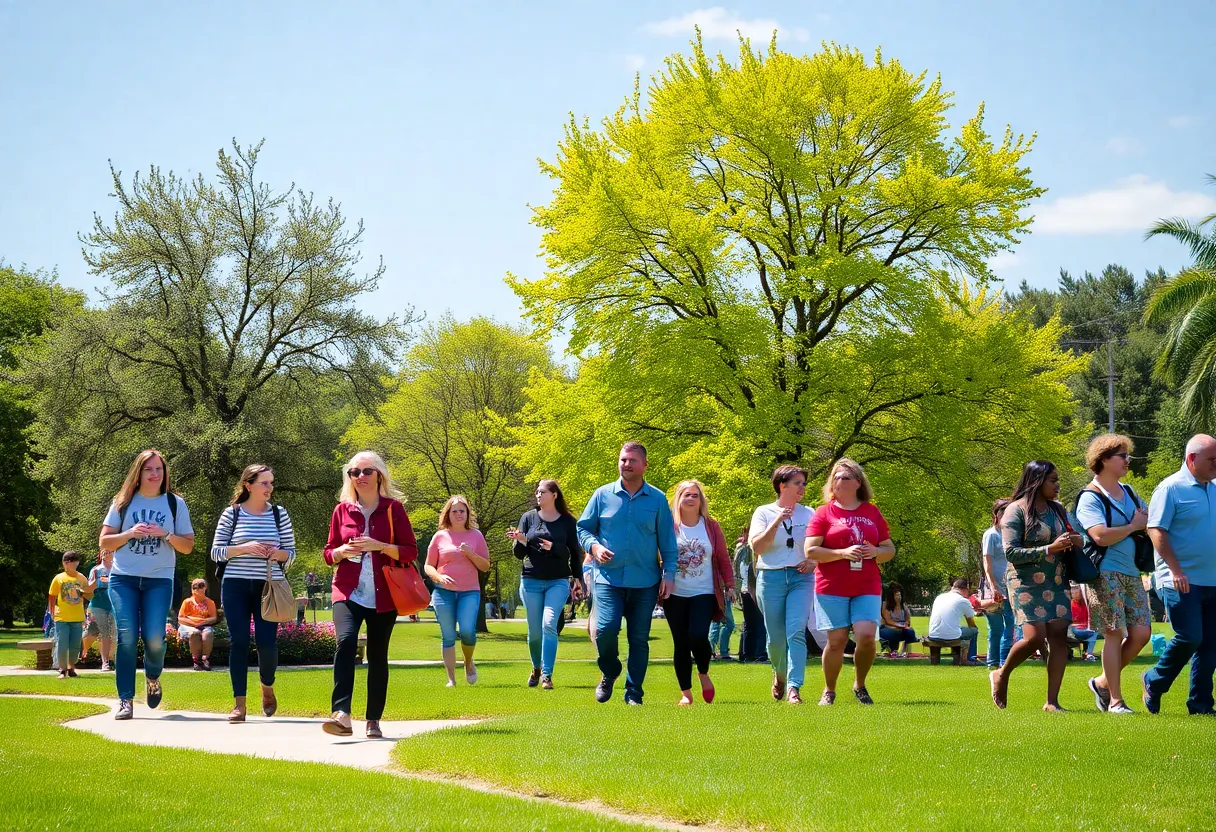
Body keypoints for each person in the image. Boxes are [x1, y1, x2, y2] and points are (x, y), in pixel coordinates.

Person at [322, 451, 418, 738]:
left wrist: (380, 546)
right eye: (354, 472)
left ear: (379, 475)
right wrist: (340, 552)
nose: (360, 477)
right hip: (347, 590)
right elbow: (328, 553)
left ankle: (373, 719)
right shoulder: (342, 510)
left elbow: (411, 551)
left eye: (366, 471)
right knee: (346, 642)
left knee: (377, 655)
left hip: (384, 594)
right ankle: (342, 714)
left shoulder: (393, 509)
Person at [577, 442, 678, 705]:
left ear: (644, 465)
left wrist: (669, 574)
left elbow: (667, 541)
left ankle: (634, 693)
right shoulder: (601, 495)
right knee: (605, 630)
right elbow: (583, 529)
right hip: (608, 579)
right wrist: (594, 546)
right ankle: (609, 671)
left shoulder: (657, 499)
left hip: (645, 581)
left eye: (632, 460)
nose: (626, 464)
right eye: (623, 460)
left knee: (639, 640)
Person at [99, 449, 195, 721]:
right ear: (138, 472)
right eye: (149, 469)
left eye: (159, 469)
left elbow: (187, 546)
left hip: (159, 579)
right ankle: (125, 700)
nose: (155, 474)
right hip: (123, 579)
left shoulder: (175, 504)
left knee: (154, 637)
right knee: (127, 636)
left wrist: (165, 534)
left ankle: (153, 676)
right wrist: (130, 533)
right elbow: (104, 542)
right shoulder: (123, 502)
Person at [989, 460, 1081, 711]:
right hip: (1025, 582)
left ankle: (1052, 702)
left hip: (1058, 579)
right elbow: (1010, 552)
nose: (1058, 485)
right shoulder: (1015, 510)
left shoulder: (1058, 510)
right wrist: (1049, 548)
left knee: (1059, 637)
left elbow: (1079, 537)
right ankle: (1002, 673)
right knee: (1035, 638)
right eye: (1053, 480)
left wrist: (1073, 540)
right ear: (1037, 481)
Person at [806, 458, 896, 706]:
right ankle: (829, 690)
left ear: (858, 482)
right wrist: (842, 553)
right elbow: (810, 550)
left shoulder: (872, 512)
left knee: (867, 635)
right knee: (836, 641)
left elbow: (889, 549)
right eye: (835, 477)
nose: (838, 481)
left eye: (844, 477)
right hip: (831, 585)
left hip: (866, 584)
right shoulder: (824, 513)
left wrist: (876, 552)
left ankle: (860, 684)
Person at [210, 464, 296, 721]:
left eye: (271, 483)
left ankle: (267, 688)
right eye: (264, 483)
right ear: (248, 485)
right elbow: (216, 552)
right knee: (238, 642)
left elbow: (291, 555)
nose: (270, 488)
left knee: (267, 644)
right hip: (235, 584)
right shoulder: (231, 514)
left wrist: (279, 554)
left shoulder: (280, 514)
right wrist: (245, 548)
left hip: (269, 587)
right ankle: (239, 704)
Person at [1143, 434, 1216, 715]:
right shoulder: (1170, 488)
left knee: (1210, 645)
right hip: (1180, 579)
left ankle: (1200, 704)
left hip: (1212, 579)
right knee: (1190, 637)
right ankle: (1153, 680)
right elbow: (1156, 530)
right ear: (1192, 459)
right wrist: (1175, 570)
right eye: (1212, 460)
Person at [509, 479, 586, 689]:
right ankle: (536, 668)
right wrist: (521, 541)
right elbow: (518, 554)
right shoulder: (528, 518)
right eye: (537, 492)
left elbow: (575, 554)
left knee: (549, 625)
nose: (538, 495)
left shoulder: (568, 522)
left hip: (557, 581)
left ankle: (547, 675)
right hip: (531, 581)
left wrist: (577, 578)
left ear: (554, 495)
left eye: (542, 492)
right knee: (534, 632)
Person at [663, 480, 734, 705]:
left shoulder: (711, 526)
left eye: (695, 495)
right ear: (678, 499)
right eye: (686, 495)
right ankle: (686, 693)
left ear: (701, 500)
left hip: (704, 592)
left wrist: (730, 585)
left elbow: (723, 557)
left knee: (697, 634)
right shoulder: (668, 526)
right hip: (674, 594)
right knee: (681, 642)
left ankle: (703, 672)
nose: (691, 499)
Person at [749, 465, 815, 704]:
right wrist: (777, 520)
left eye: (804, 483)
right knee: (775, 639)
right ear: (782, 485)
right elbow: (758, 548)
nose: (803, 488)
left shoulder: (810, 513)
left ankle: (794, 687)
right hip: (771, 577)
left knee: (796, 631)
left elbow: (818, 546)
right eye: (798, 483)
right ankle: (779, 675)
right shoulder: (763, 512)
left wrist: (814, 561)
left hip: (801, 578)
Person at [426, 495, 492, 687]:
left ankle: (468, 662)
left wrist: (471, 554)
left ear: (467, 513)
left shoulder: (476, 535)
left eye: (462, 511)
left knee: (467, 631)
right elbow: (428, 566)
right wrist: (438, 577)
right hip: (443, 592)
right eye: (454, 511)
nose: (458, 514)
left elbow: (486, 566)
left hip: (469, 592)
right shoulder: (440, 536)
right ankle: (451, 679)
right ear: (448, 514)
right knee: (448, 635)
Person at [981, 498, 1015, 669]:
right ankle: (994, 662)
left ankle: (1002, 662)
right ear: (996, 514)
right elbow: (987, 564)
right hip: (994, 589)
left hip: (1011, 588)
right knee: (995, 630)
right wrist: (993, 587)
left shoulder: (1010, 534)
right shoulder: (991, 535)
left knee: (1010, 626)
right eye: (1004, 512)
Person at [48, 551, 91, 679]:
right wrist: (51, 612)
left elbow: (88, 595)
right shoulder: (59, 578)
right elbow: (52, 596)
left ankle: (71, 667)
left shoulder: (81, 578)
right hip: (62, 617)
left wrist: (89, 590)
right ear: (65, 563)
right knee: (62, 644)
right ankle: (62, 669)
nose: (73, 565)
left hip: (77, 617)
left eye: (75, 562)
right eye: (69, 562)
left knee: (74, 646)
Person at [733, 528, 766, 662]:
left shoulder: (742, 550)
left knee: (751, 624)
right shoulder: (747, 551)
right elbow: (745, 572)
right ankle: (757, 653)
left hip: (747, 591)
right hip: (750, 591)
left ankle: (748, 653)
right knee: (757, 623)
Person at [928, 579, 979, 664]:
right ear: (965, 589)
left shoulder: (939, 597)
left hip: (933, 634)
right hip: (951, 636)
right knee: (974, 631)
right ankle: (970, 659)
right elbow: (971, 623)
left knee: (955, 628)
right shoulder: (963, 600)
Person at [80, 549, 116, 671]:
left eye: (111, 551)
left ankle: (106, 662)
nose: (108, 554)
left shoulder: (118, 568)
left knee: (109, 634)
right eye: (105, 552)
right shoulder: (96, 570)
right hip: (98, 603)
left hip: (114, 603)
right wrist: (96, 581)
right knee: (90, 633)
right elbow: (88, 589)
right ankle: (82, 650)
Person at [177, 579, 218, 671]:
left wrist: (202, 622)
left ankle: (205, 659)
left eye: (201, 586)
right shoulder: (187, 602)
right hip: (188, 626)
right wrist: (193, 623)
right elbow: (180, 618)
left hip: (204, 625)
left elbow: (213, 618)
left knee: (208, 633)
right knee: (194, 633)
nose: (197, 589)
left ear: (205, 588)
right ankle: (196, 660)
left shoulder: (210, 602)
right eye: (194, 587)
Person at [879, 583, 917, 657]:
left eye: (900, 595)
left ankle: (905, 650)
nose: (899, 597)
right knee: (895, 632)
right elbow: (888, 620)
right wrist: (898, 625)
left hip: (901, 627)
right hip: (888, 627)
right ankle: (892, 649)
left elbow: (908, 618)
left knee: (910, 631)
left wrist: (906, 624)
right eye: (897, 595)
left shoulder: (903, 606)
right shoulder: (885, 605)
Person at [1067, 584, 1099, 661]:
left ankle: (1088, 653)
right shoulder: (1071, 604)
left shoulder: (1086, 604)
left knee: (1093, 631)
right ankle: (1089, 654)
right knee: (1094, 632)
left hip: (1079, 629)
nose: (1074, 593)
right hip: (1074, 630)